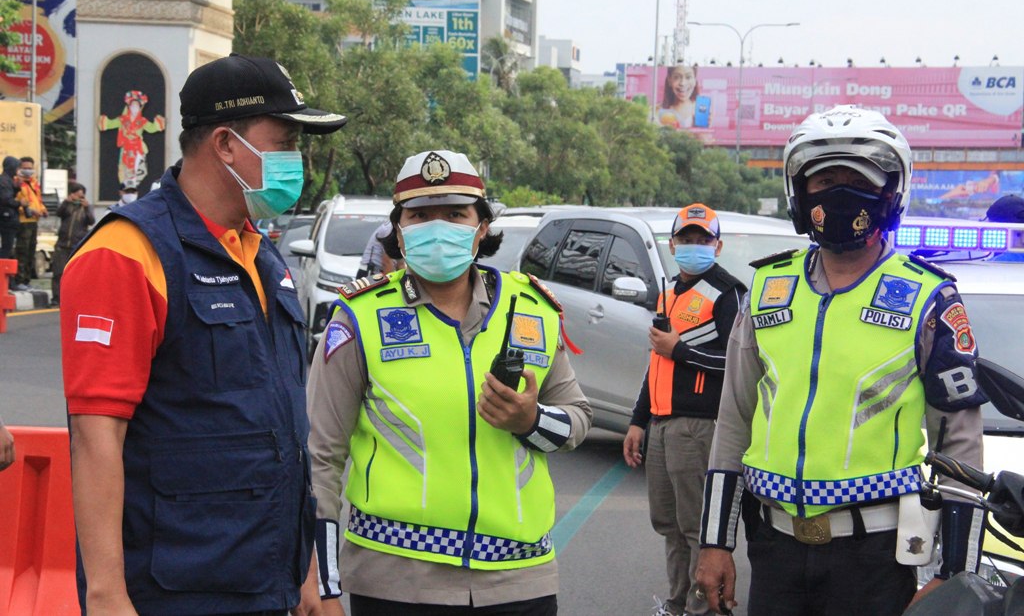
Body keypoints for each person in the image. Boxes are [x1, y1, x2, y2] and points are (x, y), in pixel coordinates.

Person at [60, 53, 347, 616]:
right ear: (224, 144)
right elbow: (96, 436)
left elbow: (284, 429)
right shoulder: (126, 253)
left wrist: (305, 569)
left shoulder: (262, 257)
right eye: (285, 142)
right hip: (174, 589)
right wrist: (106, 594)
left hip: (264, 582)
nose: (296, 160)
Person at [695, 105, 988, 616]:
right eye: (825, 180)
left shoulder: (929, 298)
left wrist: (955, 572)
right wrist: (715, 541)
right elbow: (733, 421)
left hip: (877, 559)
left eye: (857, 180)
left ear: (891, 191)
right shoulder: (766, 289)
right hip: (774, 550)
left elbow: (959, 444)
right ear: (799, 193)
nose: (838, 193)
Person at [306, 149, 593, 615]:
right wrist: (323, 583)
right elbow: (321, 455)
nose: (437, 227)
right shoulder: (360, 317)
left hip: (519, 579)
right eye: (420, 215)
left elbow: (577, 419)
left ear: (482, 228)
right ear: (399, 230)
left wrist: (531, 421)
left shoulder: (531, 310)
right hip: (396, 581)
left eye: (455, 214)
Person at [622, 203, 746, 616]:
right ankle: (677, 603)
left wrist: (682, 351)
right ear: (673, 245)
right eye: (686, 239)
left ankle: (703, 608)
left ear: (718, 245)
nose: (695, 246)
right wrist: (638, 420)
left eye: (703, 239)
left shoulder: (728, 293)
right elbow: (657, 363)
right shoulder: (670, 292)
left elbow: (737, 363)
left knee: (697, 528)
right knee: (669, 524)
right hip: (662, 424)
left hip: (698, 426)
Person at [50, 181, 95, 306]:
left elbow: (91, 221)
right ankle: (56, 298)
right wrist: (67, 202)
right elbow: (59, 213)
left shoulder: (85, 208)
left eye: (81, 196)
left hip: (77, 245)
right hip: (63, 244)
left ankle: (74, 298)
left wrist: (86, 207)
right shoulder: (67, 206)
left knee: (77, 274)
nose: (79, 198)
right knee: (58, 272)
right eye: (77, 195)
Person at [14, 156, 48, 290]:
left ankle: (26, 280)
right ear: (19, 169)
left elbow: (38, 201)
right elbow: (16, 202)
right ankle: (19, 281)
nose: (28, 170)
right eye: (25, 168)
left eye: (30, 168)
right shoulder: (17, 183)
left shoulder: (34, 183)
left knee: (30, 252)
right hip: (23, 221)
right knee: (22, 252)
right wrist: (29, 210)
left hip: (34, 221)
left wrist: (43, 210)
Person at [658, 64, 699, 130]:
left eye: (688, 77)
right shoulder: (658, 111)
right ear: (669, 80)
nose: (682, 83)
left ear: (695, 80)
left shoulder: (701, 110)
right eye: (676, 77)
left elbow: (706, 136)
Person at [0, 155, 21, 263]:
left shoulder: (9, 180)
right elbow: (6, 199)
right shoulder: (4, 181)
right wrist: (20, 203)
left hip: (8, 218)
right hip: (6, 219)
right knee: (6, 248)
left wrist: (16, 188)